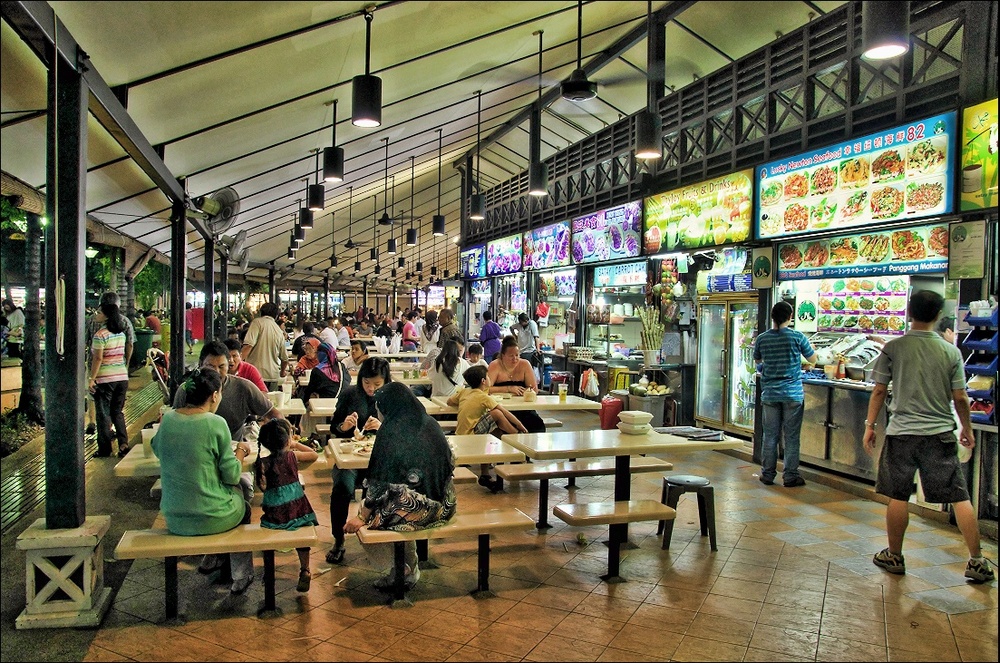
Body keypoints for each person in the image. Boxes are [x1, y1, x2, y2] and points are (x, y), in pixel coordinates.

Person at [863, 290, 994, 583]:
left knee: (898, 496)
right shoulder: (951, 352)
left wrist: (870, 425)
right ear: (937, 315)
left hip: (901, 433)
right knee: (959, 496)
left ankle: (894, 555)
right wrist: (967, 429)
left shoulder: (893, 348)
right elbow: (960, 398)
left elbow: (879, 390)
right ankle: (976, 561)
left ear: (909, 312)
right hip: (939, 434)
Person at [343, 382, 457, 590]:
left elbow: (377, 484)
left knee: (370, 515)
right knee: (399, 502)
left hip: (421, 512)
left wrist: (361, 517)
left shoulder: (390, 432)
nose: (378, 412)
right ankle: (409, 566)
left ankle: (400, 567)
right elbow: (449, 462)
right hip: (445, 505)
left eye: (380, 407)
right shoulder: (430, 423)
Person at [152, 368, 256, 595]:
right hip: (213, 518)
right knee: (243, 501)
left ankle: (215, 557)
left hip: (175, 518)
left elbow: (156, 448)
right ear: (215, 395)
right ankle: (241, 574)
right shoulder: (215, 423)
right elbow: (231, 475)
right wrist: (240, 450)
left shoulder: (168, 419)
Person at [326, 357, 391, 564]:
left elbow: (402, 431)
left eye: (377, 384)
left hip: (380, 459)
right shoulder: (350, 394)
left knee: (389, 487)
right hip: (350, 457)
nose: (371, 388)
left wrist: (382, 427)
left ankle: (382, 540)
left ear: (386, 381)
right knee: (342, 487)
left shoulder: (393, 397)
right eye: (366, 382)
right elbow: (334, 427)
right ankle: (338, 539)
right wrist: (344, 426)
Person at [752, 301, 817, 487]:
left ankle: (767, 474)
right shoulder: (797, 337)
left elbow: (757, 360)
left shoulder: (763, 338)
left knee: (770, 436)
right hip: (792, 394)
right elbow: (813, 359)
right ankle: (790, 476)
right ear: (790, 316)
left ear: (772, 317)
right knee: (791, 437)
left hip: (770, 394)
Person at [253, 418, 319, 592]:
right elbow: (314, 455)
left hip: (275, 516)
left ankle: (268, 572)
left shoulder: (262, 463)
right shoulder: (292, 456)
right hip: (298, 511)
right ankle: (305, 569)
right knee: (302, 532)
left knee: (266, 531)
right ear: (287, 440)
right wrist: (295, 444)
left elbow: (262, 487)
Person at [173, 341, 282, 441]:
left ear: (228, 365)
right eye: (210, 366)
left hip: (233, 449)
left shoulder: (243, 387)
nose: (216, 372)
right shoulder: (187, 389)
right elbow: (175, 423)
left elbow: (274, 414)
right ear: (200, 364)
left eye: (221, 366)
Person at [448, 365, 527, 492]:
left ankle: (485, 474)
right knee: (497, 414)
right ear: (483, 381)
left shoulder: (464, 392)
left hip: (461, 433)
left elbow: (449, 402)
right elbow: (503, 410)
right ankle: (517, 439)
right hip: (471, 434)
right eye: (488, 376)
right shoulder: (483, 397)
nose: (490, 379)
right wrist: (519, 424)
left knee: (496, 431)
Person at [89, 302, 132, 458]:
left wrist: (92, 378)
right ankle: (123, 444)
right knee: (117, 412)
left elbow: (98, 358)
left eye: (99, 312)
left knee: (103, 414)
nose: (96, 315)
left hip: (106, 379)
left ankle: (105, 449)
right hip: (122, 378)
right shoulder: (120, 334)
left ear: (106, 316)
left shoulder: (100, 335)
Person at [487, 336, 546, 433]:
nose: (514, 359)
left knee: (537, 426)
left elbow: (534, 389)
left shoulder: (525, 364)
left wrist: (527, 391)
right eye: (511, 356)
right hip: (502, 409)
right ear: (502, 355)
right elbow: (486, 389)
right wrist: (508, 389)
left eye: (517, 355)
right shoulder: (495, 365)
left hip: (524, 409)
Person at [241, 302, 288, 390]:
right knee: (271, 399)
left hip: (255, 375)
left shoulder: (257, 323)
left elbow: (248, 346)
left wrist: (237, 363)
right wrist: (282, 372)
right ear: (276, 316)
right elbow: (284, 358)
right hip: (273, 377)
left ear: (261, 312)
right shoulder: (278, 330)